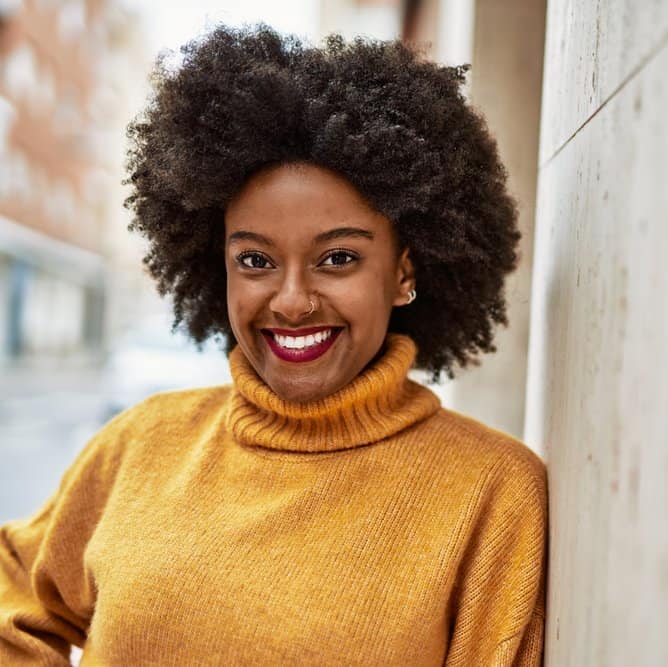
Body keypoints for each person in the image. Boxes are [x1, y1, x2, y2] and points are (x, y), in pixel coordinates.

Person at [0, 24, 547, 666]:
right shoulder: (139, 446)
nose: (290, 300)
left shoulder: (490, 490)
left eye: (337, 257)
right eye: (256, 260)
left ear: (404, 272)